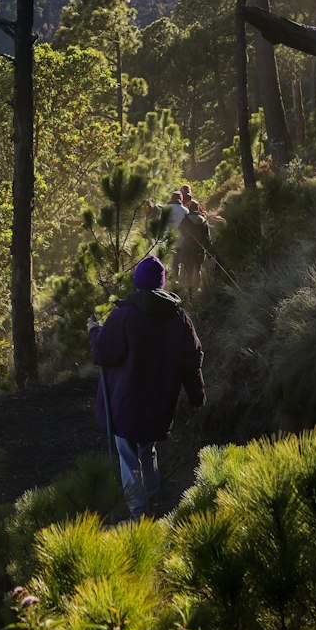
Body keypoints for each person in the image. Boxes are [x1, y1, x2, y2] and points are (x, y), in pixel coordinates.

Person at [88, 255, 205, 518]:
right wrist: (197, 396)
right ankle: (151, 497)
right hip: (159, 403)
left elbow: (104, 355)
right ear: (161, 285)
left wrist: (94, 332)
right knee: (147, 448)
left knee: (127, 455)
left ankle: (140, 513)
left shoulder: (124, 315)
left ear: (138, 283)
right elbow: (192, 360)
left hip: (125, 402)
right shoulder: (180, 319)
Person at [177, 201, 213, 289]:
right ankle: (196, 289)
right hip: (199, 249)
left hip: (187, 248)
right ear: (197, 209)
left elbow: (180, 230)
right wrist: (209, 251)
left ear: (189, 209)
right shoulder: (203, 221)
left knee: (188, 270)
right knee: (197, 269)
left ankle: (188, 291)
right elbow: (207, 238)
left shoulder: (185, 220)